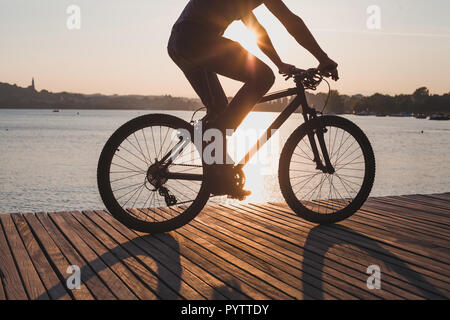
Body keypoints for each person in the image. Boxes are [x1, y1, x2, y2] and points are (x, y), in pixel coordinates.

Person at [168, 0, 339, 198]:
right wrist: (322, 58)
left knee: (219, 110)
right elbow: (291, 22)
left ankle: (219, 177)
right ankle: (215, 135)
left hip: (179, 43)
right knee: (263, 77)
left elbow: (257, 30)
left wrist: (279, 63)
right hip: (197, 39)